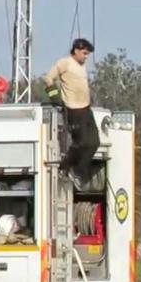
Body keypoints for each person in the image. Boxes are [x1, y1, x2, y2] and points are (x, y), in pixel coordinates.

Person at [44, 38, 98, 187]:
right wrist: (54, 95)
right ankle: (65, 167)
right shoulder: (65, 63)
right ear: (76, 50)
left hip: (86, 108)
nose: (86, 57)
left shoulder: (82, 66)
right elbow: (49, 78)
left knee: (94, 142)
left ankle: (79, 172)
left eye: (88, 54)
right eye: (84, 53)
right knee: (81, 143)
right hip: (73, 109)